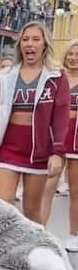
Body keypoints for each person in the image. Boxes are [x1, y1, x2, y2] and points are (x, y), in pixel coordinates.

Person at [0, 22, 69, 223]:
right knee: (3, 206)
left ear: (45, 45)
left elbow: (60, 116)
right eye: (25, 39)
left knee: (31, 210)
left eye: (35, 39)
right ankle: (4, 252)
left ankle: (37, 251)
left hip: (38, 151)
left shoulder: (56, 77)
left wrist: (57, 153)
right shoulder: (5, 76)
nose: (29, 44)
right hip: (7, 148)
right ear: (19, 45)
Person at [56, 39, 78, 249]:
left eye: (77, 56)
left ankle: (74, 234)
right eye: (71, 54)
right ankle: (39, 229)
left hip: (77, 140)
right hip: (57, 138)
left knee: (75, 188)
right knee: (46, 185)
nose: (73, 58)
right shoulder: (57, 77)